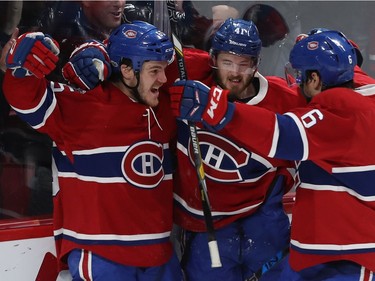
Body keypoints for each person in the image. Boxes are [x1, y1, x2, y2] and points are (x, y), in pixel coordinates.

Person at [63, 17, 306, 281]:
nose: (235, 72)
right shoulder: (186, 69)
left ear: (256, 63)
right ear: (213, 59)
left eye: (244, 64)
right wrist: (94, 50)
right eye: (227, 62)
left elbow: (324, 123)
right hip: (205, 226)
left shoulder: (284, 98)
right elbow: (132, 60)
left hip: (262, 219)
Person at [171, 29, 375, 281]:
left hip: (349, 255)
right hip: (327, 249)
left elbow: (282, 135)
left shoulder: (343, 109)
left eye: (301, 76)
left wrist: (217, 108)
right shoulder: (357, 88)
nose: (297, 84)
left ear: (315, 79)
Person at [2, 21, 183, 281]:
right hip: (102, 257)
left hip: (160, 257)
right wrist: (21, 67)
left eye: (164, 69)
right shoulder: (83, 107)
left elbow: (203, 67)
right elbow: (26, 99)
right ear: (127, 71)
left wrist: (94, 47)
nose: (163, 79)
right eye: (155, 70)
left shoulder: (163, 107)